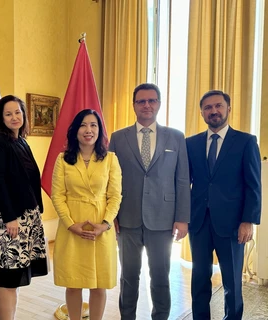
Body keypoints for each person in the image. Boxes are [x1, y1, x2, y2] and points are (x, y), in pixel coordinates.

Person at [108, 83, 190, 320]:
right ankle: (127, 316)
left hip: (163, 219)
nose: (147, 105)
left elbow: (182, 180)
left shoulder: (175, 137)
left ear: (159, 104)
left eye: (151, 100)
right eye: (141, 101)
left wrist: (182, 219)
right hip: (127, 218)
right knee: (129, 276)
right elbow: (110, 180)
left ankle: (161, 317)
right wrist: (111, 216)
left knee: (161, 275)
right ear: (134, 105)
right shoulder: (118, 137)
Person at [186, 90, 261, 320]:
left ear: (229, 108)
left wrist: (248, 221)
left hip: (232, 225)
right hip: (198, 222)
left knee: (232, 282)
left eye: (218, 106)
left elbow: (253, 185)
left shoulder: (246, 142)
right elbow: (183, 183)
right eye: (208, 108)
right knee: (199, 278)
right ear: (201, 113)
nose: (213, 111)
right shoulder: (191, 144)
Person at [0, 95, 48, 320]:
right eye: (8, 114)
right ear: (0, 118)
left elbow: (29, 179)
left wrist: (37, 212)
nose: (14, 117)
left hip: (25, 216)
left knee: (15, 278)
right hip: (7, 219)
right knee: (8, 278)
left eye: (18, 112)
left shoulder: (21, 141)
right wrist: (10, 217)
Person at [51, 109, 122, 320]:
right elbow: (57, 195)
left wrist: (106, 224)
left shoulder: (110, 159)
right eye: (83, 125)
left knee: (99, 286)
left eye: (93, 125)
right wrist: (70, 224)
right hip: (72, 228)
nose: (88, 130)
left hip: (101, 228)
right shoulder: (63, 159)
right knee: (73, 284)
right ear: (75, 130)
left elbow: (115, 196)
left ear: (99, 131)